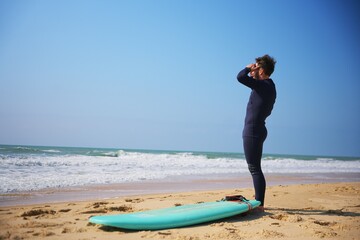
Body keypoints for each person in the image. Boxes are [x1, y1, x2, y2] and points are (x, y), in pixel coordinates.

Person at [237, 54, 277, 212]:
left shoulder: (263, 85)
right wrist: (253, 70)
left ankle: (260, 203)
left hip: (253, 130)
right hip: (258, 128)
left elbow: (240, 77)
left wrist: (247, 68)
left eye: (256, 67)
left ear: (262, 71)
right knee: (255, 168)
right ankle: (259, 200)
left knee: (254, 168)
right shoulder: (269, 85)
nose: (252, 70)